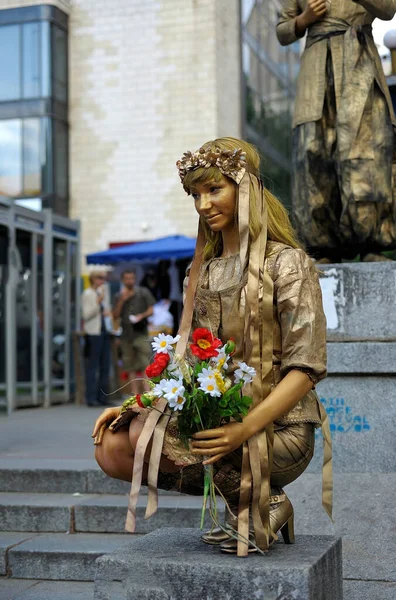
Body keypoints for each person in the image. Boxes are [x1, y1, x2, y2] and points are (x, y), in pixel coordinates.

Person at [92, 138, 332, 556]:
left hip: (281, 428)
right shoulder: (201, 272)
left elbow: (306, 367)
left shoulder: (287, 262)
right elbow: (190, 363)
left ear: (246, 188)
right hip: (219, 417)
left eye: (214, 189)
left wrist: (244, 427)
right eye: (196, 195)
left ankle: (263, 499)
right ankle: (254, 502)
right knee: (113, 446)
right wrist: (139, 404)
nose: (203, 205)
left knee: (146, 436)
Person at [277, 0, 396, 263]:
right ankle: (324, 248)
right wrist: (303, 20)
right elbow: (282, 30)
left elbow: (388, 9)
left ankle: (371, 246)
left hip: (360, 62)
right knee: (315, 151)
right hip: (316, 68)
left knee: (368, 152)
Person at [113, 269, 155, 395]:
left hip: (141, 332)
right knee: (130, 365)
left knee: (145, 362)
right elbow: (115, 315)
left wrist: (141, 316)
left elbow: (151, 309)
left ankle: (148, 393)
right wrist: (122, 300)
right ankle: (135, 394)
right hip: (126, 335)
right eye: (127, 278)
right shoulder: (118, 296)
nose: (129, 281)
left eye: (131, 278)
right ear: (123, 280)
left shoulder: (143, 292)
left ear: (135, 279)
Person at [81, 270, 111, 407]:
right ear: (93, 279)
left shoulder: (102, 293)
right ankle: (91, 397)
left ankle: (103, 397)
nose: (102, 281)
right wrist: (97, 304)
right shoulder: (88, 294)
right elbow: (86, 315)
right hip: (93, 333)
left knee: (105, 365)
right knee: (93, 366)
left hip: (104, 331)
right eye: (99, 278)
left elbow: (106, 311)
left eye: (104, 278)